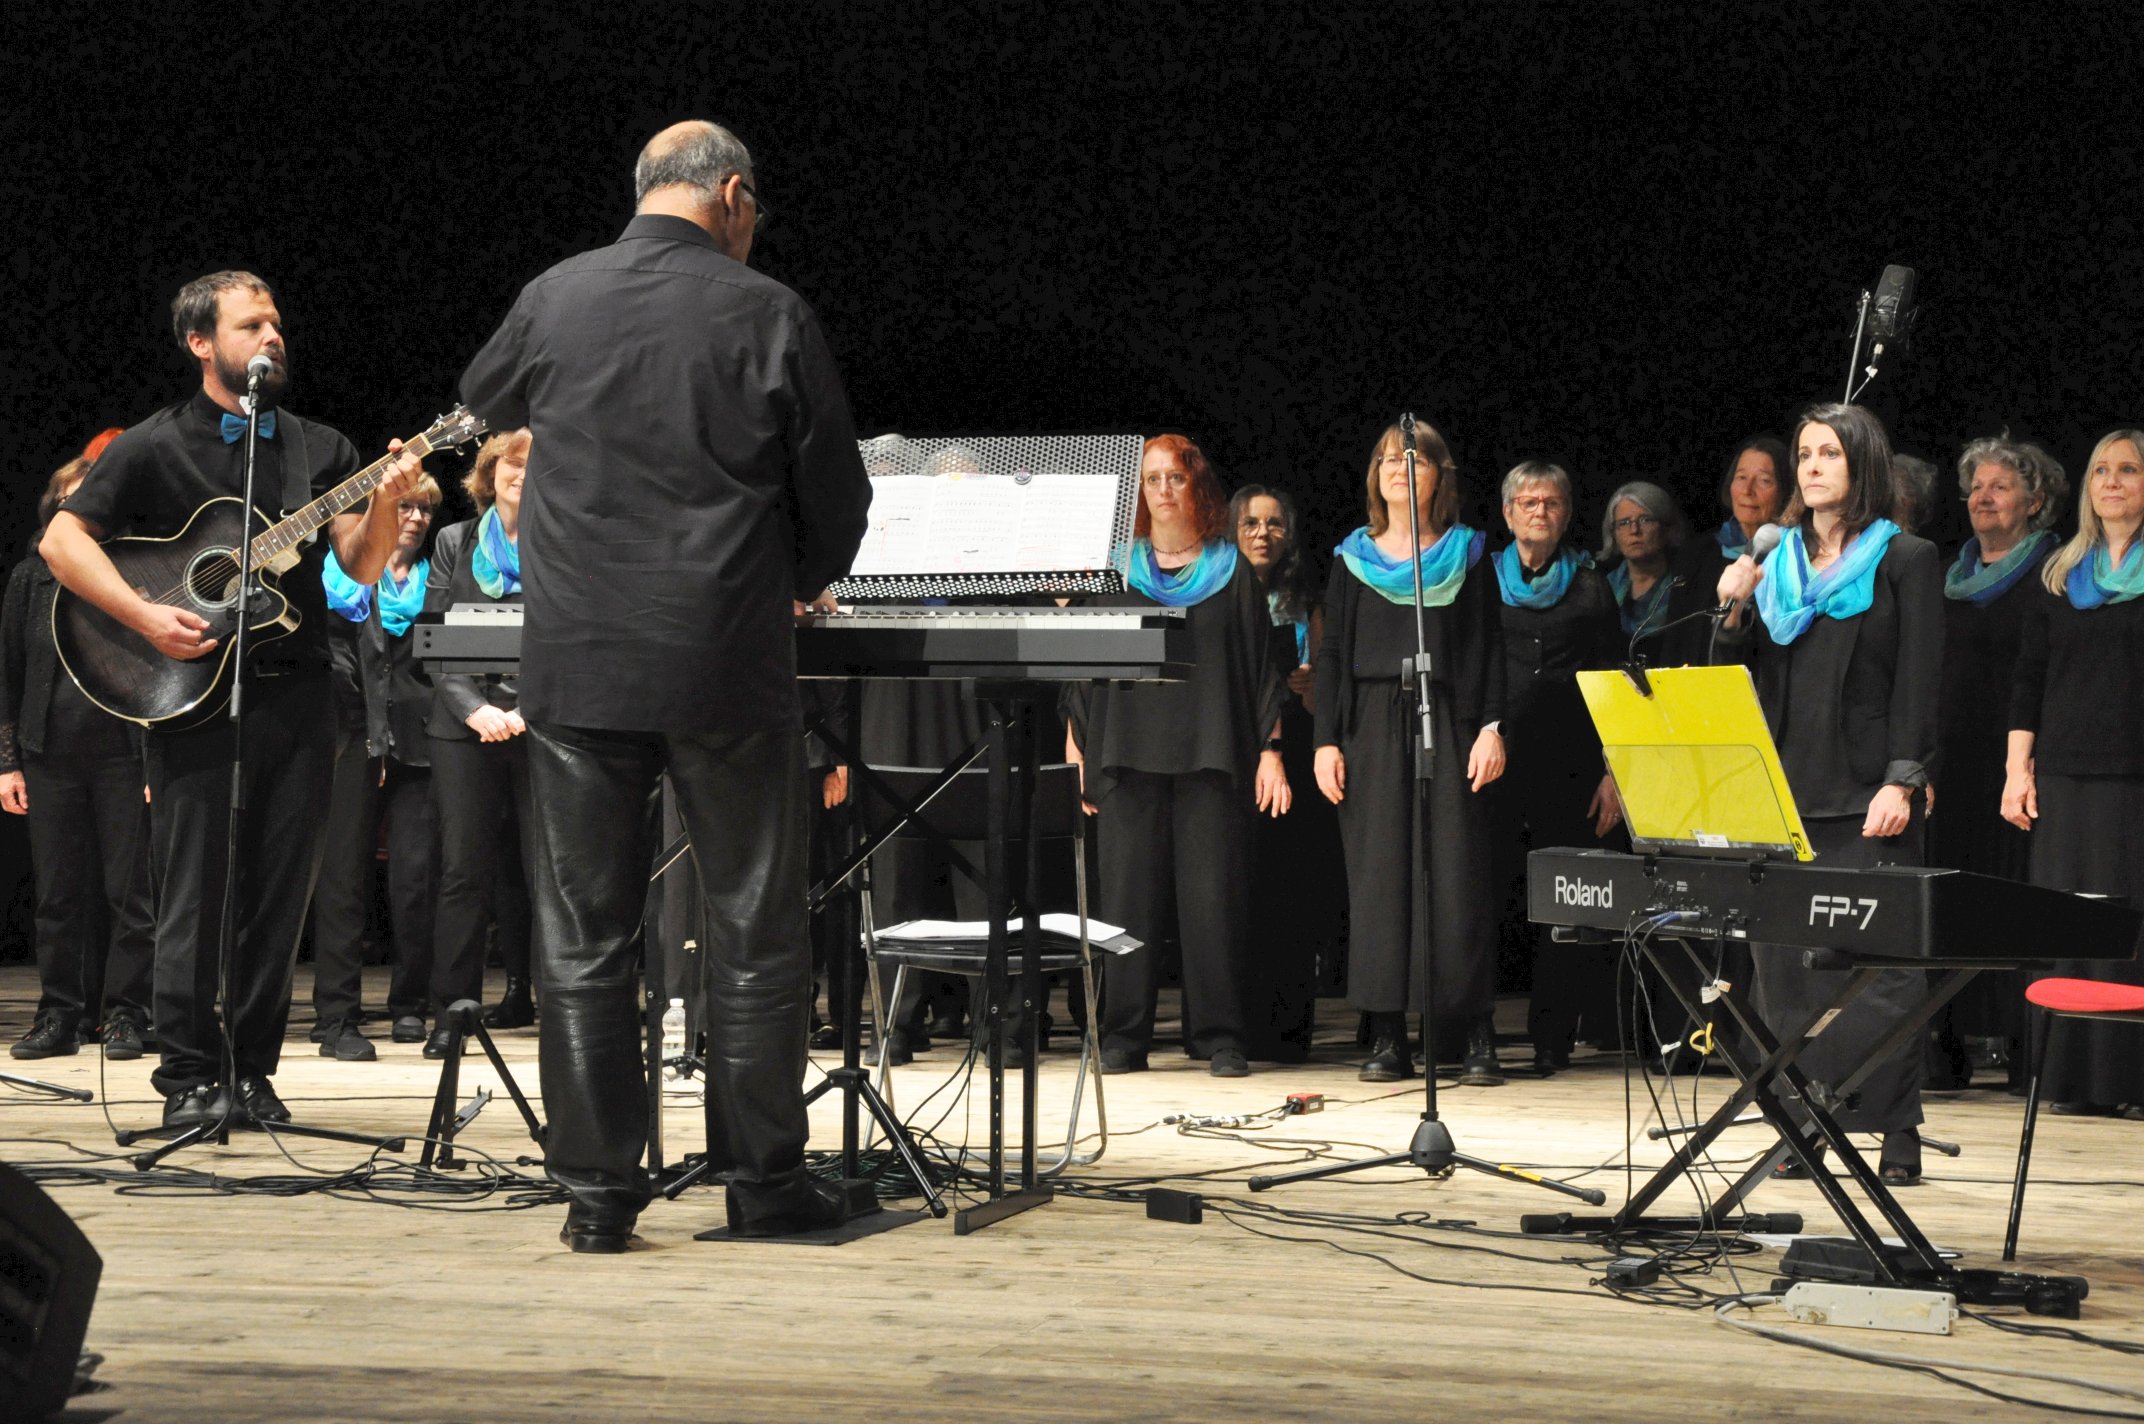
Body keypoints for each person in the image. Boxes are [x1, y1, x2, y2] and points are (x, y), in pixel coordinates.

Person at [457, 122, 872, 1251]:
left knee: (582, 937)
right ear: (731, 194)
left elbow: (481, 397)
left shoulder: (554, 295)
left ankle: (597, 1197)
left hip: (580, 659)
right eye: (755, 209)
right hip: (725, 656)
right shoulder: (769, 310)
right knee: (753, 927)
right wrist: (796, 581)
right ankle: (764, 1185)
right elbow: (837, 496)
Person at [40, 270, 421, 1129]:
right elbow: (63, 541)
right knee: (193, 894)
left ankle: (250, 1071)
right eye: (251, 325)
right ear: (201, 343)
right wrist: (144, 614)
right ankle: (185, 1074)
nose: (272, 336)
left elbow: (359, 566)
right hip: (190, 692)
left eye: (276, 322)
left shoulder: (319, 447)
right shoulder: (152, 444)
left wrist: (385, 504)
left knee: (279, 899)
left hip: (301, 692)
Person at [1716, 402, 1942, 1184]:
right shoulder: (1774, 560)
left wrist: (1904, 778)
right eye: (1805, 454)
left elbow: (1920, 680)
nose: (1811, 467)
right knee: (1783, 975)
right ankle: (1802, 1120)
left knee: (1883, 972)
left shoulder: (1905, 558)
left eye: (1829, 454)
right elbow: (1733, 672)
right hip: (1784, 788)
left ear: (1862, 465)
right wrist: (1734, 604)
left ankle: (1895, 1126)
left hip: (1868, 791)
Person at [1065, 435, 1287, 1079]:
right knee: (1126, 903)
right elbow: (1081, 666)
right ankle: (1124, 1033)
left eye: (1177, 477)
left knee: (1213, 903)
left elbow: (1260, 667)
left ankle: (1219, 1035)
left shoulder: (1231, 569)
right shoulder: (1114, 570)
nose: (1164, 489)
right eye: (1153, 478)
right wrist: (1077, 746)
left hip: (1212, 752)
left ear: (1198, 487)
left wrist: (1271, 750)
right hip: (1125, 751)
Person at [1313, 419, 1507, 1084]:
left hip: (1448, 716)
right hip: (1370, 721)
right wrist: (1325, 740)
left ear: (1437, 475)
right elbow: (1331, 655)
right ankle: (1388, 1032)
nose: (1399, 468)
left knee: (1455, 874)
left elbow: (1491, 646)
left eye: (1414, 459)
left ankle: (1472, 1028)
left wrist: (1492, 727)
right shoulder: (1351, 558)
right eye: (1388, 460)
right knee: (1379, 879)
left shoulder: (1468, 553)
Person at [2003, 429, 2144, 1116]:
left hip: (2135, 780)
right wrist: (2016, 771)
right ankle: (2068, 1082)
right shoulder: (2060, 575)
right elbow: (2028, 681)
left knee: (2130, 931)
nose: (2112, 482)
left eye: (2129, 470)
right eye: (2101, 471)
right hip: (2062, 778)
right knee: (2068, 926)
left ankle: (2131, 1083)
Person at [2, 433, 154, 1062]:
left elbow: (157, 674)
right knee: (59, 896)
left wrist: (155, 760)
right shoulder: (30, 578)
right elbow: (9, 674)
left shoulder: (134, 573)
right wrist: (8, 763)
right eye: (69, 500)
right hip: (49, 754)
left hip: (124, 754)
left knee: (130, 895)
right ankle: (59, 1015)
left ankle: (126, 1015)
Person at [1930, 435, 2066, 1083]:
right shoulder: (1944, 577)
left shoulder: (2055, 574)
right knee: (1951, 904)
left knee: (2014, 903)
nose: (1983, 497)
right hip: (1951, 765)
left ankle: (2020, 1044)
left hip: (2018, 764)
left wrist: (2027, 759)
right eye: (1976, 487)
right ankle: (1944, 1041)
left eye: (2000, 487)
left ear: (2035, 502)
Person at [1486, 461, 1623, 1072]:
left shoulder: (1593, 587)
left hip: (1571, 767)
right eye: (1528, 502)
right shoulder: (1481, 581)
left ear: (1567, 515)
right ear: (1508, 512)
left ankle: (1553, 1037)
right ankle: (1473, 1033)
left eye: (1552, 503)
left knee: (1564, 903)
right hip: (1495, 763)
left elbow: (1615, 684)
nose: (1539, 512)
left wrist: (1613, 774)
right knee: (1485, 894)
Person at [308, 472, 445, 1061]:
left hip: (420, 743)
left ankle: (410, 1004)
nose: (414, 518)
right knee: (342, 879)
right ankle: (336, 1014)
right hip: (351, 736)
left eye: (424, 510)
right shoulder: (337, 578)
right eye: (404, 506)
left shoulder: (441, 578)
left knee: (415, 879)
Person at [424, 431, 537, 1053]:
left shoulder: (562, 541)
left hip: (540, 724)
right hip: (463, 727)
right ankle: (452, 1016)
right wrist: (476, 710)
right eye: (512, 463)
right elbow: (436, 641)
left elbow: (570, 636)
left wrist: (524, 709)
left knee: (548, 874)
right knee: (463, 872)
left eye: (535, 465)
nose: (522, 473)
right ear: (490, 474)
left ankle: (561, 1012)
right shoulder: (454, 541)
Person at [1231, 483, 1338, 1062]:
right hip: (1232, 747)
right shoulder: (1214, 593)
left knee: (1289, 889)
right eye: (1250, 522)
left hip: (1293, 750)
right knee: (1235, 888)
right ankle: (1227, 1028)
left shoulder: (1306, 599)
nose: (1262, 534)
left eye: (1274, 523)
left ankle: (1286, 1031)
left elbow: (1323, 694)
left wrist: (1311, 683)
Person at [1599, 481, 1710, 667]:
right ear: (1613, 533)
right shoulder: (1603, 589)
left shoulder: (1685, 588)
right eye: (1624, 523)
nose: (1634, 530)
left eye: (1645, 520)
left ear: (1667, 527)